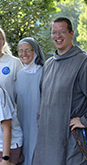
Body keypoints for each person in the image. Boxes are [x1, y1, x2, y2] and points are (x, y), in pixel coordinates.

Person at [33, 17, 87, 165]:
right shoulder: (49, 64)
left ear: (72, 33)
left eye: (62, 32)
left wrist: (84, 120)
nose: (57, 36)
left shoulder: (82, 62)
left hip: (71, 143)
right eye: (54, 32)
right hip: (47, 140)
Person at [14, 37, 45, 165]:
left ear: (35, 51)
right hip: (22, 123)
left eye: (28, 50)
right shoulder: (20, 74)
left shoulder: (44, 72)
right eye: (20, 51)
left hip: (39, 124)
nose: (24, 54)